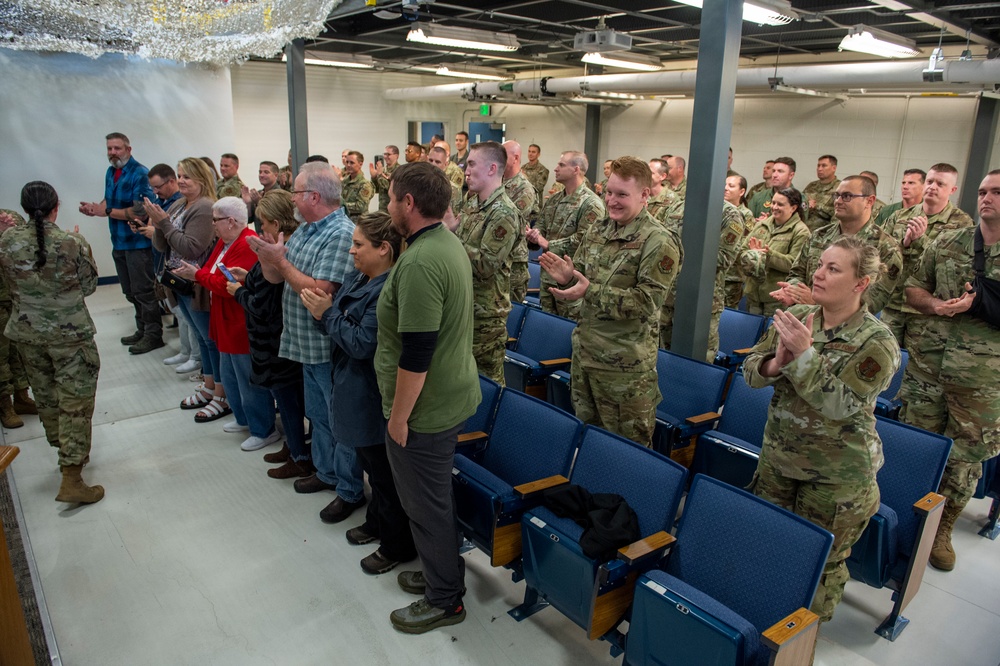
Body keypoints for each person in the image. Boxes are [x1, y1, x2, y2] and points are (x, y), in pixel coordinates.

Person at [743, 236, 900, 625]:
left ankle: (800, 646)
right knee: (770, 546)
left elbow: (841, 405)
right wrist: (774, 364)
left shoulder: (877, 342)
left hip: (836, 478)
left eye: (834, 268)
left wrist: (805, 355)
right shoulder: (797, 314)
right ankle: (767, 626)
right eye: (820, 265)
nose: (819, 273)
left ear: (861, 283)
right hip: (779, 460)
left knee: (819, 567)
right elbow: (750, 371)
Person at [376, 162, 480, 634]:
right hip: (447, 394)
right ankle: (442, 573)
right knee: (432, 500)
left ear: (409, 204)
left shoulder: (419, 262)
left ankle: (445, 599)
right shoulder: (442, 242)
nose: (388, 205)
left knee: (425, 504)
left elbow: (417, 352)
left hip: (425, 409)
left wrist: (399, 419)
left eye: (392, 197)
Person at [301, 211, 417, 569]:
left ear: (384, 248)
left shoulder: (386, 289)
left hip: (371, 393)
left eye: (358, 245)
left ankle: (397, 546)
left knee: (384, 476)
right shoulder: (359, 278)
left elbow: (362, 342)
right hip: (351, 385)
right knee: (372, 468)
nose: (351, 252)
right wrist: (325, 314)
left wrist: (327, 314)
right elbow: (337, 326)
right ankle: (376, 522)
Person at [247, 162, 364, 514]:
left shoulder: (340, 233)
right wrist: (268, 258)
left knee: (338, 421)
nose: (291, 199)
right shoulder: (307, 229)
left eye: (296, 192)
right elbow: (282, 273)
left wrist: (280, 263)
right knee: (318, 414)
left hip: (326, 347)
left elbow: (319, 290)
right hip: (302, 343)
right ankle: (326, 472)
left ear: (313, 196)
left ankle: (349, 489)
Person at [899, 169, 1000, 572]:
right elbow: (913, 287)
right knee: (916, 443)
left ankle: (942, 527)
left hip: (982, 379)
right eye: (982, 191)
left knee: (964, 458)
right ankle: (909, 517)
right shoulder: (949, 241)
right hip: (928, 366)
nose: (987, 197)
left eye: (996, 192)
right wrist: (937, 306)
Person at [540, 156, 679, 446]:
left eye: (622, 195)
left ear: (644, 195)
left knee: (627, 454)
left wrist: (587, 290)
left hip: (624, 372)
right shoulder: (599, 230)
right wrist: (568, 280)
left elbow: (645, 302)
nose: (612, 201)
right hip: (586, 358)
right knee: (589, 443)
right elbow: (583, 283)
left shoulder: (659, 240)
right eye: (609, 193)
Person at [0, 182, 104, 503]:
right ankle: (72, 475)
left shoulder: (6, 241)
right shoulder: (71, 242)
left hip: (27, 334)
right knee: (75, 399)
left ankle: (64, 451)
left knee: (46, 396)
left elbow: (8, 285)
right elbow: (87, 286)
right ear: (56, 206)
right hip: (69, 335)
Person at [173, 198, 279, 452]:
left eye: (215, 220)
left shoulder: (246, 243)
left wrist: (198, 276)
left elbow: (226, 286)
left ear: (231, 221)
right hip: (223, 320)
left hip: (239, 323)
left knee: (247, 379)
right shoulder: (225, 241)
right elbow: (212, 272)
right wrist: (203, 275)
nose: (212, 225)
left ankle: (263, 429)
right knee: (230, 375)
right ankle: (244, 418)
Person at [227, 190, 310, 478]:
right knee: (289, 401)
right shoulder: (283, 247)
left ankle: (299, 453)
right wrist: (246, 277)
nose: (261, 229)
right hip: (273, 340)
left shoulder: (278, 251)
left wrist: (239, 293)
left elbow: (262, 304)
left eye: (264, 223)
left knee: (288, 401)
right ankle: (294, 446)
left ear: (276, 222)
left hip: (273, 341)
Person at [145, 158, 228, 422]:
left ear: (202, 181)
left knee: (209, 340)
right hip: (178, 282)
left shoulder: (204, 207)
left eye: (186, 177)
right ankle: (208, 385)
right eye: (179, 176)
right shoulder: (181, 203)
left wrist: (164, 223)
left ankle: (220, 395)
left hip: (196, 285)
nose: (180, 181)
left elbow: (191, 247)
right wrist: (159, 222)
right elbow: (163, 245)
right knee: (201, 338)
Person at [77, 132, 161, 354]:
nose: (112, 153)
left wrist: (105, 211)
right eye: (109, 149)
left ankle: (153, 335)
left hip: (138, 244)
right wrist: (96, 209)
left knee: (144, 291)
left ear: (128, 149)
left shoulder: (140, 173)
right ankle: (142, 329)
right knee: (130, 291)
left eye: (117, 148)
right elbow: (108, 201)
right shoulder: (111, 171)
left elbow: (140, 211)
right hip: (119, 242)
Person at [774, 176, 904, 318]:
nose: (838, 201)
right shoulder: (819, 235)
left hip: (846, 332)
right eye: (837, 195)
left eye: (847, 196)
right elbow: (797, 273)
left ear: (869, 201)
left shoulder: (886, 248)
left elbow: (873, 302)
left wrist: (817, 302)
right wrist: (793, 292)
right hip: (804, 318)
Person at [881, 164, 973, 345]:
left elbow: (957, 266)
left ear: (952, 190)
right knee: (881, 358)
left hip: (928, 311)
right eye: (930, 182)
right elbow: (879, 254)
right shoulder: (899, 216)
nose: (932, 187)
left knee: (917, 365)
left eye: (940, 184)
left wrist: (921, 240)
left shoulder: (962, 224)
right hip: (893, 303)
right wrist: (904, 243)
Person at [454, 141, 519, 384]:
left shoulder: (503, 212)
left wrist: (451, 238)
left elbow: (485, 266)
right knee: (463, 380)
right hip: (466, 305)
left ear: (492, 169)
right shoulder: (473, 203)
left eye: (471, 164)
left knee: (486, 384)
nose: (466, 171)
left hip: (486, 314)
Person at [658, 197, 745, 361]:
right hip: (668, 299)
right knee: (665, 359)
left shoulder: (729, 214)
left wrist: (677, 254)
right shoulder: (675, 206)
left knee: (698, 363)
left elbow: (724, 258)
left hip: (701, 302)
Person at [525, 150, 605, 318]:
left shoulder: (591, 203)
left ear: (576, 169)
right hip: (548, 274)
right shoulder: (554, 200)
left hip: (572, 279)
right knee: (546, 323)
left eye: (561, 165)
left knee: (568, 326)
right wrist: (534, 235)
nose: (555, 169)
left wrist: (549, 244)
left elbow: (585, 240)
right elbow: (541, 226)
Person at [738, 187, 811, 316]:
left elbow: (794, 264)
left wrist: (767, 255)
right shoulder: (762, 225)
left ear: (793, 208)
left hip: (776, 299)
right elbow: (743, 250)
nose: (774, 207)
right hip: (753, 295)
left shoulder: (801, 231)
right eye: (773, 203)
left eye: (780, 204)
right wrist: (753, 255)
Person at [501, 140, 536, 303]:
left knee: (510, 315)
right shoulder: (498, 182)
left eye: (503, 154)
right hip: (498, 259)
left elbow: (506, 222)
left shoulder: (524, 188)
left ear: (515, 158)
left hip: (513, 263)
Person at [722, 173, 756, 308]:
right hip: (716, 273)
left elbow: (742, 243)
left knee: (727, 313)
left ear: (741, 191)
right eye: (724, 185)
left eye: (731, 186)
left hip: (732, 275)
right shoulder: (718, 209)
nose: (725, 188)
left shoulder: (745, 214)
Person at [802, 155, 840, 230]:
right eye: (818, 166)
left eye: (824, 166)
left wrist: (817, 206)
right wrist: (806, 204)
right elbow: (799, 203)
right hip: (804, 230)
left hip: (823, 233)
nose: (819, 169)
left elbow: (839, 213)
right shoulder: (811, 186)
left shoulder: (840, 188)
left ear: (834, 168)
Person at [341, 150, 375, 219]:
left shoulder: (365, 184)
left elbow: (360, 207)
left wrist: (341, 205)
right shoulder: (344, 182)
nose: (348, 165)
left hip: (358, 223)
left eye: (352, 163)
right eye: (347, 162)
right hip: (345, 220)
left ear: (360, 164)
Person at [370, 145, 400, 212]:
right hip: (382, 208)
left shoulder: (399, 170)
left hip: (393, 210)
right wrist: (374, 177)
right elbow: (377, 189)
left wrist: (380, 175)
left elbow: (391, 188)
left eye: (388, 154)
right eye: (385, 154)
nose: (386, 157)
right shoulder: (383, 170)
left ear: (396, 156)